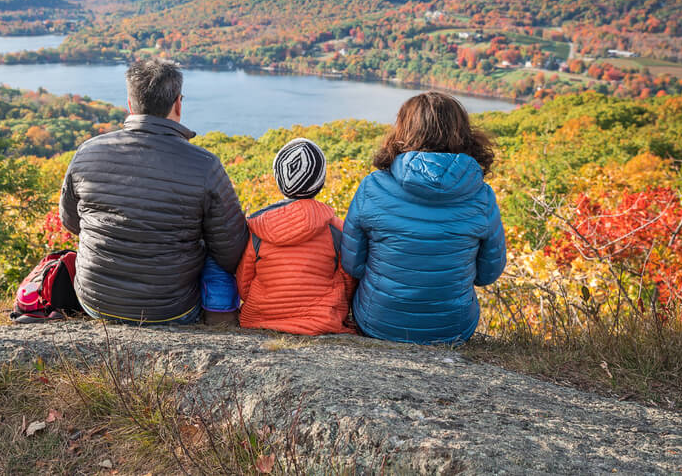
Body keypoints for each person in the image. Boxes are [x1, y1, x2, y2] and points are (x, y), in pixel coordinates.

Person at [58, 58, 249, 324]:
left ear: (130, 105)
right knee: (216, 246)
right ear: (178, 104)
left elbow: (71, 222)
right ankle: (222, 321)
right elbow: (231, 252)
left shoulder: (87, 152)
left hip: (95, 300)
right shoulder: (205, 166)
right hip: (172, 309)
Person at [340, 91, 506, 344]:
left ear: (403, 131)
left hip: (377, 321)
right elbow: (487, 274)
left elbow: (353, 265)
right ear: (463, 133)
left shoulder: (372, 188)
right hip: (452, 328)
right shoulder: (482, 196)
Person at [236, 138, 356, 335]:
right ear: (321, 181)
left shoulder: (256, 228)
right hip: (322, 322)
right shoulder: (336, 229)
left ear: (278, 179)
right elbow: (348, 281)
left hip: (261, 319)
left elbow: (244, 283)